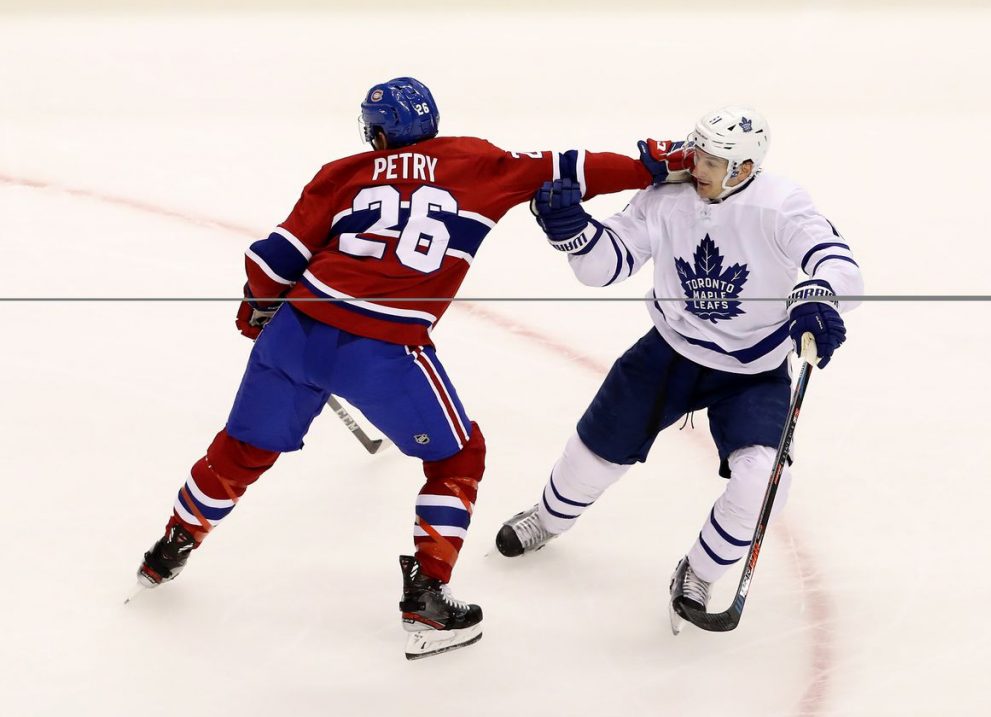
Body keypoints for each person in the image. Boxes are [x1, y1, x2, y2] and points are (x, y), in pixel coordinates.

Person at [134, 76, 684, 658]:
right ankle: (427, 599)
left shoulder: (342, 172)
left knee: (243, 448)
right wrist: (649, 165)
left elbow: (272, 260)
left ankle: (169, 549)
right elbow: (573, 167)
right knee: (457, 457)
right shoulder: (476, 161)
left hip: (295, 333)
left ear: (376, 133)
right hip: (383, 349)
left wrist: (259, 305)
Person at [495, 106, 864, 631]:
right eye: (697, 153)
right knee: (596, 449)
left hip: (753, 371)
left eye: (712, 161)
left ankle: (700, 571)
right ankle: (549, 518)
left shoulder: (780, 204)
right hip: (668, 353)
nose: (696, 167)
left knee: (764, 481)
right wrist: (573, 230)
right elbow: (605, 267)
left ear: (743, 168)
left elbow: (840, 266)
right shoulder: (665, 195)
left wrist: (818, 296)